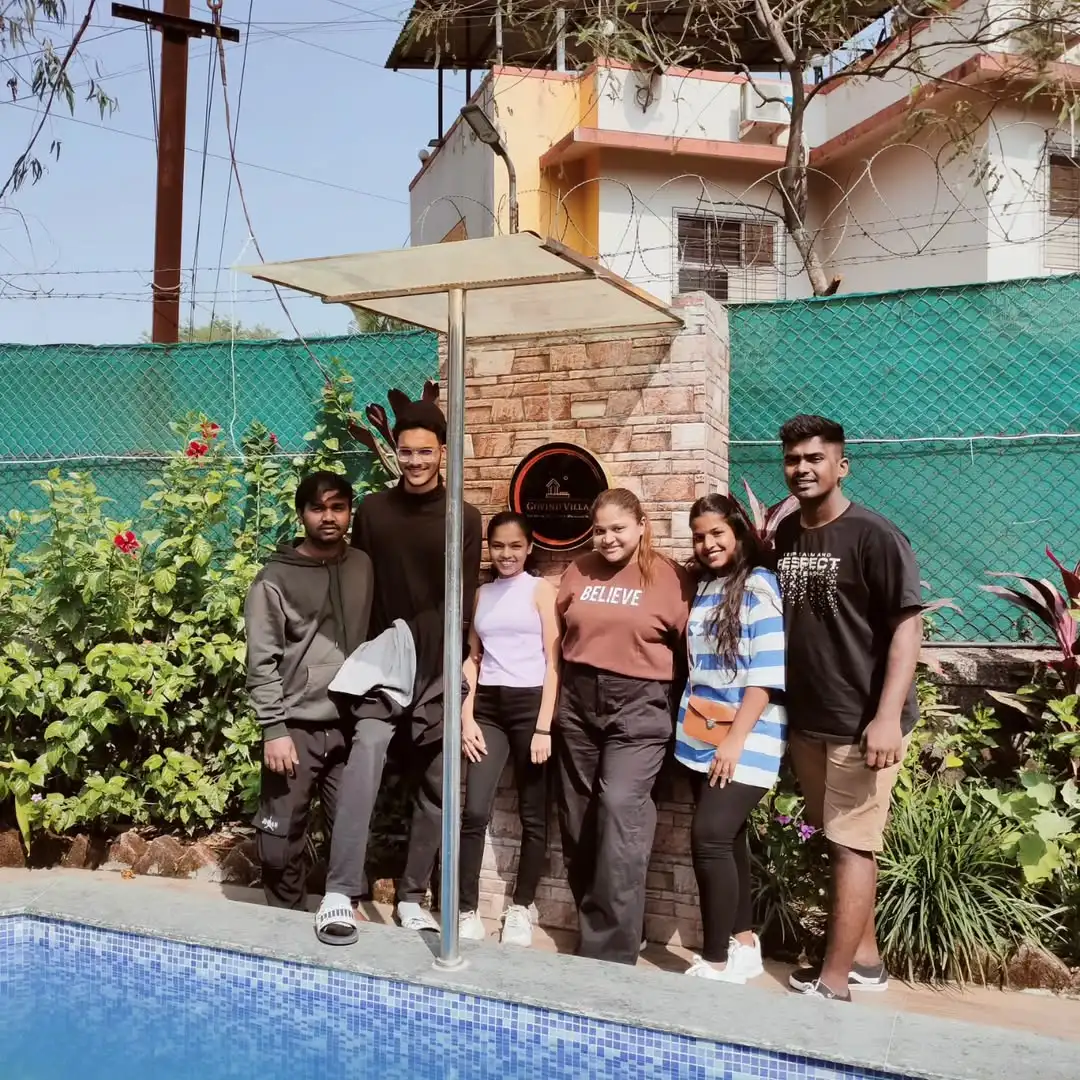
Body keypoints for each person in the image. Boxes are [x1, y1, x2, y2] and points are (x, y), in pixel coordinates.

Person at [773, 415, 923, 1001]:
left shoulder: (874, 536)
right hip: (808, 718)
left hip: (862, 723)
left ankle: (835, 984)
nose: (803, 469)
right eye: (793, 459)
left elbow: (907, 629)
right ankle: (865, 960)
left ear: (842, 465)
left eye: (815, 458)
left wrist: (886, 717)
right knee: (838, 838)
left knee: (852, 845)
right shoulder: (787, 533)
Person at [350, 400, 482, 932]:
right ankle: (350, 890)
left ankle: (411, 898)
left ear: (443, 453)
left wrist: (459, 670)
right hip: (382, 666)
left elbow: (465, 599)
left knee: (436, 786)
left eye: (426, 452)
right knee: (363, 770)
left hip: (436, 669)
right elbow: (358, 584)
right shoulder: (373, 511)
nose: (416, 461)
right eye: (407, 451)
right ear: (395, 452)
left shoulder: (463, 516)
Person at [555, 488, 694, 966]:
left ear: (640, 525)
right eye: (600, 529)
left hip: (640, 703)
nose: (608, 538)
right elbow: (559, 636)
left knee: (619, 810)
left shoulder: (669, 578)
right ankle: (603, 926)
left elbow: (688, 649)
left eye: (618, 528)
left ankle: (609, 953)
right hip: (577, 699)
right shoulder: (579, 570)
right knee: (578, 818)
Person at [244, 471, 373, 917]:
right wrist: (273, 728)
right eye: (318, 508)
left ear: (350, 512)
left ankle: (342, 910)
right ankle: (286, 924)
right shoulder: (272, 580)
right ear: (302, 514)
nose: (329, 517)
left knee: (350, 832)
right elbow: (260, 661)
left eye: (338, 507)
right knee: (281, 840)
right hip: (295, 727)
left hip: (353, 724)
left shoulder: (362, 566)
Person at [675, 494, 787, 984]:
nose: (708, 543)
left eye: (717, 533)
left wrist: (735, 741)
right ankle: (744, 946)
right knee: (731, 838)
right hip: (702, 731)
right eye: (700, 536)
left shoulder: (759, 587)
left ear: (738, 533)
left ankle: (716, 959)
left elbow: (765, 673)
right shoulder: (705, 588)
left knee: (709, 838)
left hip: (747, 736)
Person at [458, 512, 560, 948]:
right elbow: (473, 660)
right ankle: (464, 909)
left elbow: (555, 663)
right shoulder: (481, 594)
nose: (506, 554)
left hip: (530, 706)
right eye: (498, 546)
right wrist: (466, 716)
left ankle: (522, 906)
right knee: (474, 811)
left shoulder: (541, 591)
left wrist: (543, 727)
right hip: (489, 709)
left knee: (533, 815)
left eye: (515, 546)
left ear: (529, 547)